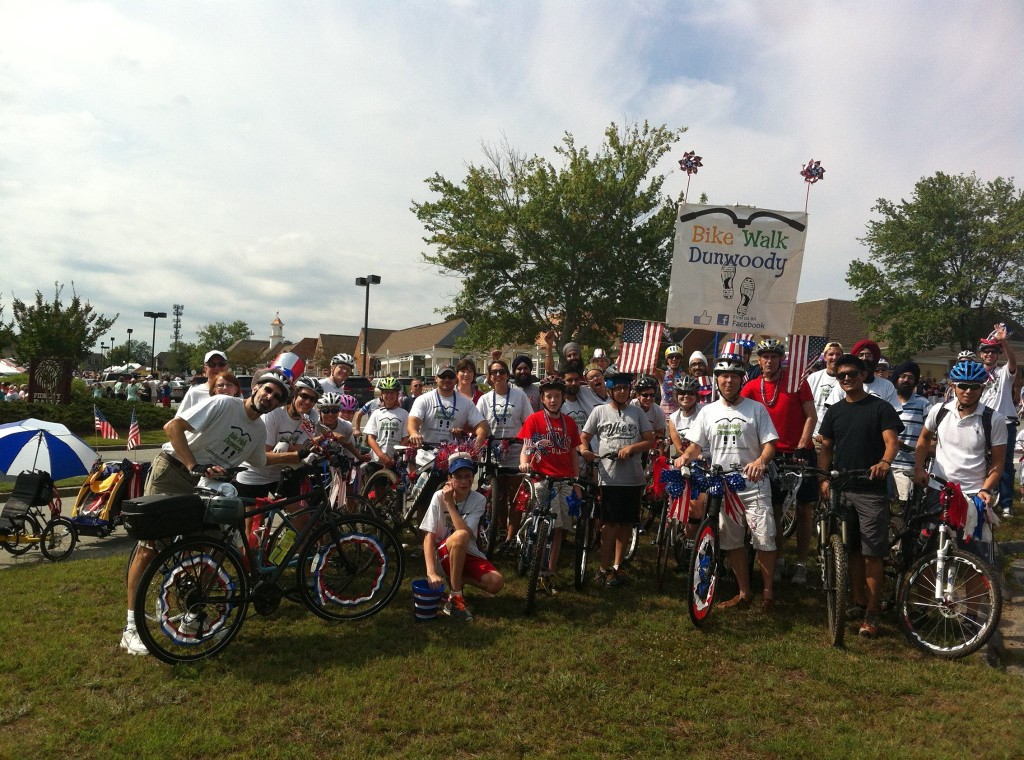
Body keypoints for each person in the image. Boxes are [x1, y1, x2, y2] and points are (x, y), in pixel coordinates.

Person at [120, 370, 288, 655]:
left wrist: (302, 456)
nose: (270, 398)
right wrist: (192, 465)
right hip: (174, 471)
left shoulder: (258, 430)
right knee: (150, 546)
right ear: (256, 388)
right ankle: (131, 627)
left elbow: (260, 460)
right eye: (268, 390)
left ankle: (193, 616)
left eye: (277, 398)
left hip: (207, 485)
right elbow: (173, 426)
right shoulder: (224, 404)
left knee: (211, 550)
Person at [914, 359, 1007, 664]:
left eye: (975, 387)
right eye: (963, 386)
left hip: (971, 498)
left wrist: (986, 489)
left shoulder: (992, 419)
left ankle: (974, 619)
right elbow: (924, 439)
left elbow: (997, 464)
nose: (968, 391)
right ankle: (924, 606)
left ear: (984, 387)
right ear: (952, 385)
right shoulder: (939, 411)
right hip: (938, 491)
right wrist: (919, 466)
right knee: (928, 551)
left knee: (976, 560)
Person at [678, 354, 779, 613]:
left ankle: (768, 593)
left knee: (764, 537)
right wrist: (683, 458)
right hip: (724, 484)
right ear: (716, 380)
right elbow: (695, 447)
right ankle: (744, 592)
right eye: (724, 376)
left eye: (734, 376)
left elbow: (770, 445)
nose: (729, 380)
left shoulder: (756, 409)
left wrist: (760, 461)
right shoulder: (708, 412)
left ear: (741, 379)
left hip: (753, 482)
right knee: (731, 541)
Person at [817, 354, 903, 638]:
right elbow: (826, 447)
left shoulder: (880, 408)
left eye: (852, 373)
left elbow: (893, 442)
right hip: (842, 488)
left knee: (872, 553)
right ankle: (855, 601)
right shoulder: (834, 411)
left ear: (863, 374)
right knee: (850, 549)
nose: (846, 379)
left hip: (871, 491)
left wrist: (885, 462)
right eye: (841, 375)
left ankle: (873, 611)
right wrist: (824, 477)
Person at [740, 338, 817, 586]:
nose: (769, 361)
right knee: (775, 510)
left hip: (799, 453)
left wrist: (803, 445)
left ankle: (802, 564)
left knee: (804, 510)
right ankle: (780, 558)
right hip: (770, 455)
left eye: (774, 356)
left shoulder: (797, 382)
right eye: (765, 356)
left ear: (781, 359)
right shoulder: (751, 387)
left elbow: (810, 416)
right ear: (759, 360)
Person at [580, 371, 655, 587]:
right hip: (609, 477)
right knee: (610, 524)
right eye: (618, 389)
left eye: (625, 388)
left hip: (633, 477)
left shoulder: (637, 412)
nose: (622, 392)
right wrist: (585, 450)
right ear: (611, 390)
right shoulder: (599, 412)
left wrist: (632, 448)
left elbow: (649, 440)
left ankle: (617, 565)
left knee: (626, 524)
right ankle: (603, 568)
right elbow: (584, 437)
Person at [420, 452, 505, 622]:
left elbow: (465, 531)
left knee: (496, 582)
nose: (465, 482)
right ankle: (455, 598)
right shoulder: (438, 497)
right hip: (442, 554)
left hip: (467, 551)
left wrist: (450, 504)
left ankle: (453, 582)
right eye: (458, 477)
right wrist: (430, 572)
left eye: (468, 476)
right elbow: (429, 536)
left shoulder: (479, 499)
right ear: (450, 478)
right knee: (459, 537)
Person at [518, 376, 583, 594]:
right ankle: (535, 561)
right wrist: (524, 463)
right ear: (543, 398)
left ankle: (550, 570)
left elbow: (573, 452)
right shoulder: (534, 420)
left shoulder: (570, 423)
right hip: (542, 477)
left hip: (564, 479)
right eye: (549, 396)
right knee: (546, 523)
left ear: (563, 398)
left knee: (560, 528)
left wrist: (575, 480)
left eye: (557, 396)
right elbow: (526, 447)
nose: (553, 400)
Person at [408, 365, 489, 515]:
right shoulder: (424, 399)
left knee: (454, 497)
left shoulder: (465, 403)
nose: (446, 380)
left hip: (452, 457)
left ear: (455, 379)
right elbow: (413, 421)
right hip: (427, 456)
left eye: (450, 377)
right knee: (425, 502)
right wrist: (414, 433)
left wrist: (479, 440)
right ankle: (425, 536)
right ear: (436, 379)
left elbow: (482, 424)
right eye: (442, 376)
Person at [233, 375, 324, 500]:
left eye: (313, 399)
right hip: (255, 473)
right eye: (304, 396)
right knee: (256, 519)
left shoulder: (308, 422)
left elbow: (299, 452)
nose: (308, 401)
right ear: (294, 395)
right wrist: (296, 453)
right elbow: (264, 455)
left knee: (302, 517)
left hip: (280, 474)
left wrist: (294, 451)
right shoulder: (274, 413)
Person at [476, 359, 532, 550]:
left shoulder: (519, 396)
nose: (498, 375)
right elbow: (479, 425)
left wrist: (526, 445)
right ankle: (498, 532)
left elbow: (529, 423)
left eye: (501, 372)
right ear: (489, 377)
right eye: (494, 373)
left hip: (516, 451)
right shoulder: (484, 399)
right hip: (493, 452)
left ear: (508, 375)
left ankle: (511, 537)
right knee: (497, 496)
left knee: (515, 496)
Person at [977, 324, 1018, 517]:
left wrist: (1003, 341)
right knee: (983, 463)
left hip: (1006, 423)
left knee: (1006, 464)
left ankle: (1007, 503)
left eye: (994, 352)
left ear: (997, 355)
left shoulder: (1003, 373)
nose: (989, 355)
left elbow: (1013, 361)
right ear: (981, 355)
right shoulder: (976, 375)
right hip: (983, 423)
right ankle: (985, 496)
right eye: (986, 352)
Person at [890, 361, 930, 510]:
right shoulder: (887, 400)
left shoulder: (924, 404)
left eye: (911, 378)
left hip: (908, 465)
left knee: (904, 506)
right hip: (886, 462)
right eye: (903, 376)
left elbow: (931, 434)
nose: (906, 380)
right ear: (897, 378)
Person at [823, 339, 900, 412]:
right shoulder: (845, 384)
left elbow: (892, 414)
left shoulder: (886, 386)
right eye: (861, 355)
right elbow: (834, 412)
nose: (864, 358)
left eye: (869, 355)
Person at [363, 379, 410, 477]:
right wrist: (381, 456)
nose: (389, 395)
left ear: (397, 394)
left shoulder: (404, 413)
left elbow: (406, 438)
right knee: (376, 490)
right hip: (377, 459)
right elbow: (370, 438)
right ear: (381, 395)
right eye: (386, 393)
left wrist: (395, 456)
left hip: (395, 459)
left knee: (395, 488)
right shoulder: (376, 413)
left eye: (392, 393)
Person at [176, 350, 229, 416]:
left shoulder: (236, 393)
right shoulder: (194, 393)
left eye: (221, 364)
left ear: (227, 367)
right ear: (205, 369)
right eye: (212, 364)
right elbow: (178, 422)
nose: (217, 368)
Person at [808, 341, 843, 439]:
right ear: (825, 357)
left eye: (838, 354)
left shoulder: (848, 379)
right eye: (831, 354)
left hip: (839, 436)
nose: (834, 357)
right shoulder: (813, 378)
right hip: (815, 436)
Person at [653, 345, 687, 416]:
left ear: (680, 359)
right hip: (662, 416)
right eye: (671, 356)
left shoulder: (685, 376)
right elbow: (650, 367)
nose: (674, 359)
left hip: (679, 415)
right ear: (667, 359)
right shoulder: (662, 374)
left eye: (677, 357)